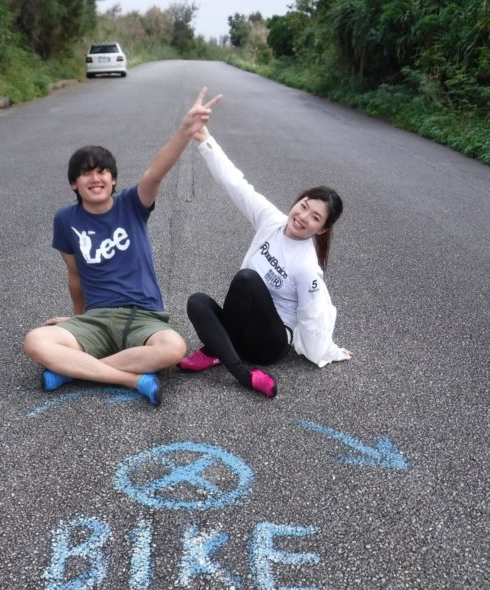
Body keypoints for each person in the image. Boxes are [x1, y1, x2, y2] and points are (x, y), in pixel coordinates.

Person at [23, 87, 222, 407]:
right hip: (97, 319)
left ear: (113, 179)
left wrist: (186, 130)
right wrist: (76, 322)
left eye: (102, 171)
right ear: (75, 183)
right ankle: (132, 378)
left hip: (142, 317)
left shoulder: (132, 204)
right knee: (36, 341)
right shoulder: (66, 219)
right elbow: (74, 276)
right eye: (85, 174)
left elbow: (157, 170)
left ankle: (75, 370)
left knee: (173, 348)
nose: (95, 178)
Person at [179, 110, 351, 398]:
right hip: (241, 330)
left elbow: (313, 314)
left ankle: (230, 363)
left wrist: (327, 350)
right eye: (304, 205)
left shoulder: (308, 265)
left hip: (268, 343)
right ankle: (227, 355)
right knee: (197, 302)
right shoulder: (271, 220)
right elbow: (236, 184)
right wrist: (205, 139)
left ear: (321, 230)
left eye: (315, 218)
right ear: (297, 201)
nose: (303, 216)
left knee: (247, 279)